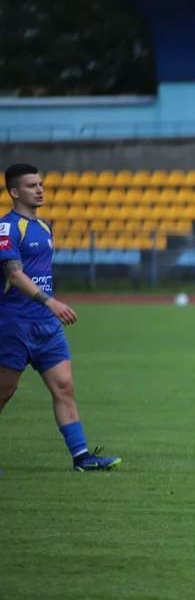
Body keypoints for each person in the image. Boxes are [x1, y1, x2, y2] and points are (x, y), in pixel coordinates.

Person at [0, 164, 120, 472]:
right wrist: (50, 302)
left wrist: (49, 308)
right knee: (5, 391)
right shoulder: (8, 228)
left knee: (64, 386)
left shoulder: (45, 227)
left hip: (47, 326)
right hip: (13, 324)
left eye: (40, 183)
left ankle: (81, 458)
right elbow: (14, 275)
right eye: (31, 185)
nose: (39, 189)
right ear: (14, 192)